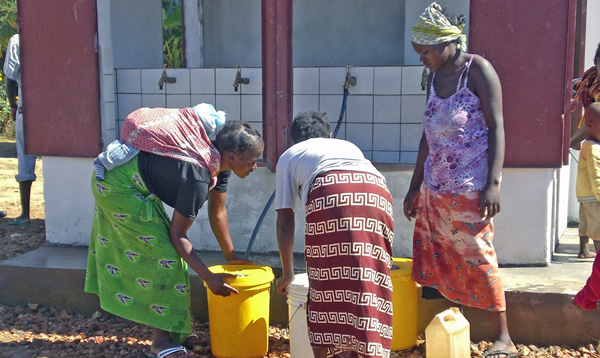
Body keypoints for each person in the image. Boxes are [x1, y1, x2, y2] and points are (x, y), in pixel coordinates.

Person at [84, 105, 263, 358]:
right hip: (117, 187)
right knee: (166, 256)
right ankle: (161, 340)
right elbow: (178, 236)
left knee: (173, 253)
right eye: (253, 161)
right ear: (232, 155)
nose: (255, 166)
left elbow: (218, 212)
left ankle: (174, 329)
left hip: (132, 182)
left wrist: (231, 256)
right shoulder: (199, 175)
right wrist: (208, 277)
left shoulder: (217, 164)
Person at [404, 3, 521, 358]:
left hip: (470, 187)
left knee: (479, 256)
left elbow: (497, 127)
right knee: (443, 256)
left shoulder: (478, 70)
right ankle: (455, 327)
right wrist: (414, 186)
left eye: (425, 51)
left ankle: (505, 337)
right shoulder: (434, 77)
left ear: (445, 44)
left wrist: (493, 183)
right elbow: (428, 136)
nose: (422, 58)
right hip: (435, 188)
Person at [275, 111, 394, 358]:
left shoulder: (290, 155)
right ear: (329, 134)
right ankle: (366, 350)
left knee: (326, 283)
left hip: (331, 190)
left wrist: (287, 273)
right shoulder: (347, 145)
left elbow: (285, 221)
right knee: (368, 278)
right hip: (377, 192)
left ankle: (331, 353)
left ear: (293, 140)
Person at [3, 32, 37, 226]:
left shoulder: (17, 40)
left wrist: (12, 105)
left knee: (25, 160)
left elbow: (10, 78)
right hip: (54, 110)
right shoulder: (52, 35)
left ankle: (25, 214)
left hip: (27, 109)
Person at [570, 43, 600, 259]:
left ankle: (584, 249)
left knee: (587, 201)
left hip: (590, 140)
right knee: (592, 205)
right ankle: (588, 250)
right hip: (593, 139)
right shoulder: (590, 80)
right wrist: (572, 140)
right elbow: (593, 119)